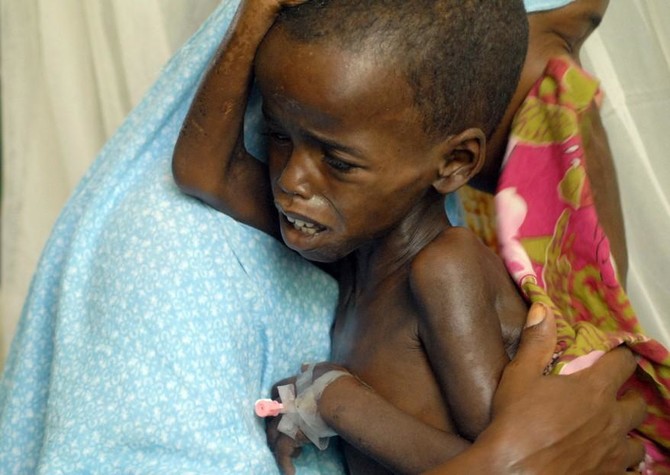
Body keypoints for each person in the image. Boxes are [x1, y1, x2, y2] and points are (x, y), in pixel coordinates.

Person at [0, 0, 646, 473]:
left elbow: (506, 445)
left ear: (453, 162)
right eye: (278, 137)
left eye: (337, 160)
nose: (290, 182)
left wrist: (339, 402)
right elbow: (204, 171)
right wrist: (255, 15)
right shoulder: (348, 252)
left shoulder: (444, 265)